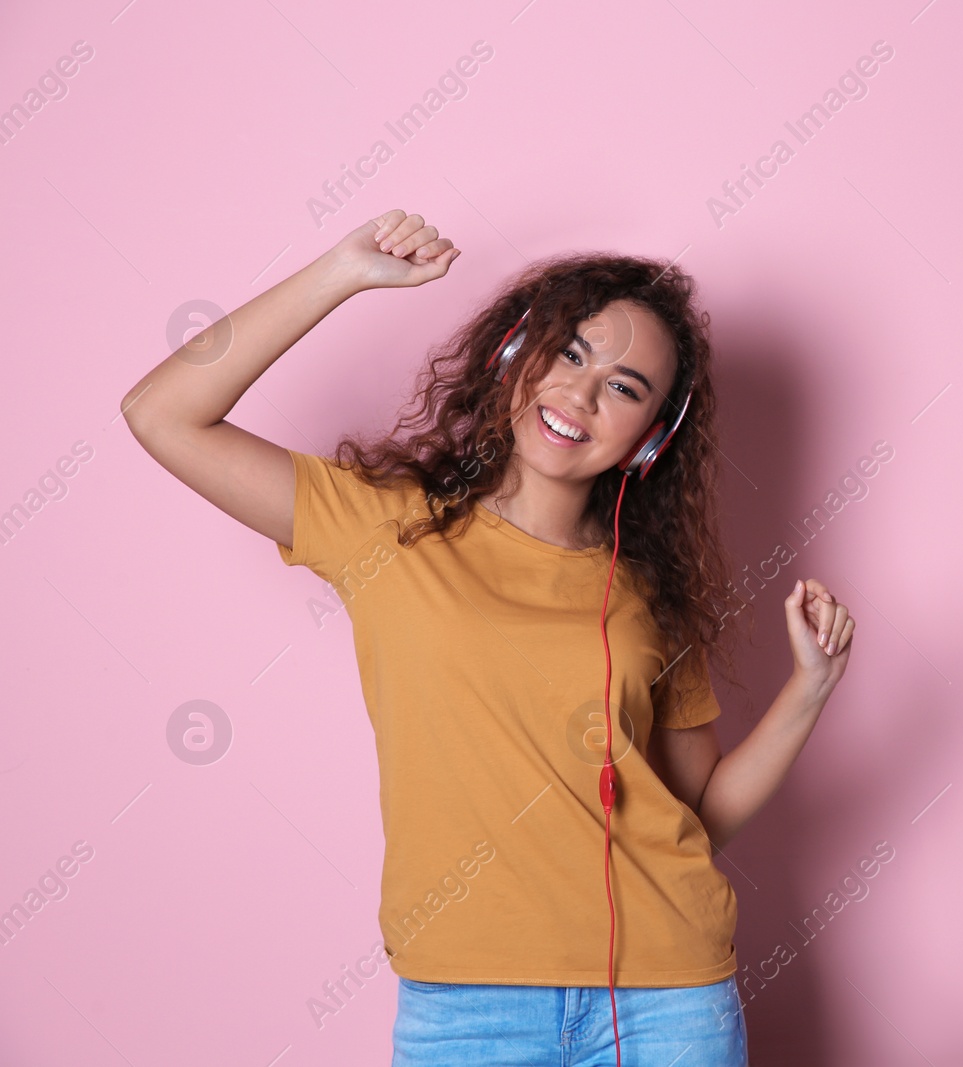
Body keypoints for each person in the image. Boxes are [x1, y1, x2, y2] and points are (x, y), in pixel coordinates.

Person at [121, 209, 856, 1066]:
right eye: (569, 353)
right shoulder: (382, 527)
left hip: (666, 1000)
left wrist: (811, 687)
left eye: (624, 387)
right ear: (513, 354)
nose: (579, 396)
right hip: (465, 1007)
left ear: (651, 439)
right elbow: (162, 412)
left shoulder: (648, 593)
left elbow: (696, 815)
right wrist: (340, 273)